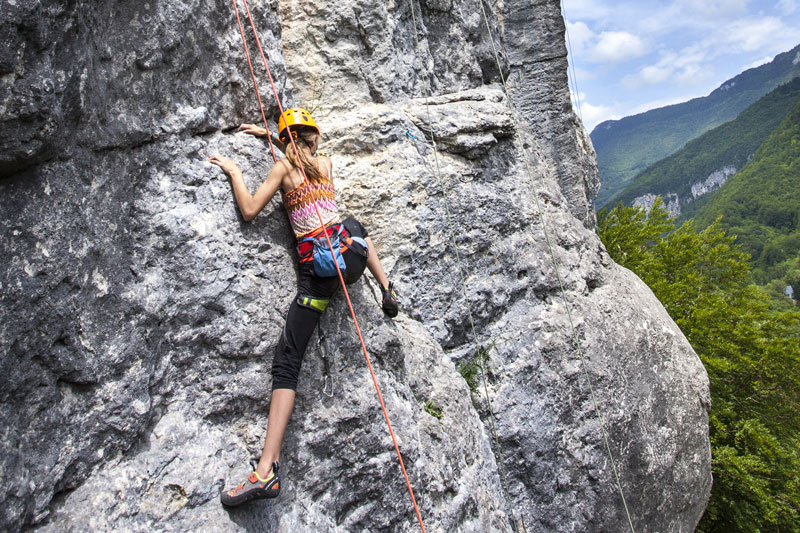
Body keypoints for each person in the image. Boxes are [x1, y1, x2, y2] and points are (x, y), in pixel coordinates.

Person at [208, 108, 399, 506]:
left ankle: (266, 471)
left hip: (321, 276)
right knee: (353, 221)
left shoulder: (282, 170)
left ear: (286, 139)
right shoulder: (325, 165)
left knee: (287, 361)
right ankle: (385, 286)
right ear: (314, 139)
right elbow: (302, 149)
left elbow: (248, 210)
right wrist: (270, 132)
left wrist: (234, 171)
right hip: (352, 261)